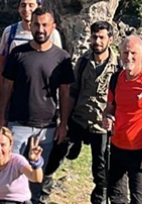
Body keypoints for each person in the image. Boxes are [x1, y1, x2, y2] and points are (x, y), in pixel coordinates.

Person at [0, 8, 72, 204]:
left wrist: (63, 123)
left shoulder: (62, 58)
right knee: (11, 175)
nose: (40, 29)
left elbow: (64, 93)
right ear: (31, 26)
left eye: (45, 25)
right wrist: (1, 117)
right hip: (17, 124)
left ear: (53, 27)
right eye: (36, 24)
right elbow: (7, 87)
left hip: (46, 127)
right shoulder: (18, 53)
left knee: (37, 177)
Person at [41, 21, 118, 204]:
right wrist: (64, 121)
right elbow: (73, 91)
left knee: (101, 168)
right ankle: (41, 193)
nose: (97, 41)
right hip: (79, 118)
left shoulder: (118, 66)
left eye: (101, 37)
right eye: (94, 37)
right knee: (56, 153)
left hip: (101, 125)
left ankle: (99, 200)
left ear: (110, 40)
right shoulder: (83, 62)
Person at [102, 35, 142, 204]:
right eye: (125, 53)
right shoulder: (116, 79)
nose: (128, 57)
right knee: (115, 196)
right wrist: (107, 117)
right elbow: (110, 107)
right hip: (117, 146)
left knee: (138, 200)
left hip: (140, 151)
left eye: (133, 53)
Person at [0, 126, 44, 204]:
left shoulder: (18, 161)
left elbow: (36, 179)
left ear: (10, 145)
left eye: (3, 145)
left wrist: (36, 162)